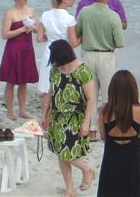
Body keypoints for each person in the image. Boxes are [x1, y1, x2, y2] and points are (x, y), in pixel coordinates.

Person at [71, 0, 125, 141]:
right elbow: (120, 43)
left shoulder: (85, 11)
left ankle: (92, 130)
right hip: (107, 56)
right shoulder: (113, 15)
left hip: (88, 54)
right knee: (109, 95)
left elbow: (78, 32)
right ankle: (107, 128)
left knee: (90, 95)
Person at [43, 40, 95, 197]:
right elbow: (50, 94)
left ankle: (87, 170)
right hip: (57, 117)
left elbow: (91, 99)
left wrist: (86, 123)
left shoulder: (82, 71)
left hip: (75, 119)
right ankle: (70, 189)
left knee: (68, 153)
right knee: (61, 153)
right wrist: (45, 115)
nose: (52, 60)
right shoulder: (55, 71)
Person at [97, 70, 140, 197]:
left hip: (111, 156)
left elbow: (103, 136)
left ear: (112, 89)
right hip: (133, 157)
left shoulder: (104, 111)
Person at [0, 0, 39, 120]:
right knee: (10, 82)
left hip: (27, 49)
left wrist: (33, 28)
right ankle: (10, 110)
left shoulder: (31, 11)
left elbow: (37, 29)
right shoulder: (10, 13)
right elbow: (5, 34)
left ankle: (22, 110)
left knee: (24, 81)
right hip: (13, 49)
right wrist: (21, 29)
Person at [37, 0, 76, 125]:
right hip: (64, 52)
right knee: (63, 85)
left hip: (50, 50)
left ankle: (44, 120)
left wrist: (50, 36)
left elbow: (39, 38)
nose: (73, 0)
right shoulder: (69, 18)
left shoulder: (45, 15)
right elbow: (73, 42)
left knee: (47, 87)